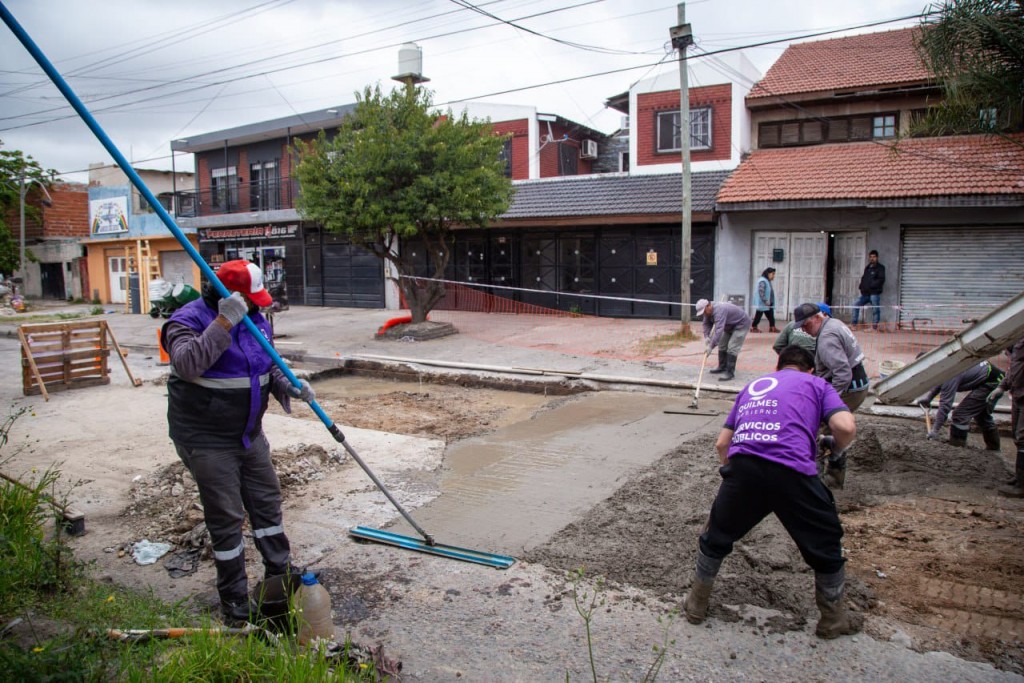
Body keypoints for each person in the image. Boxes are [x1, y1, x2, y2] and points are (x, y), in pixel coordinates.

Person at [161, 259, 316, 625]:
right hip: (207, 438)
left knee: (267, 504)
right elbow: (186, 364)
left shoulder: (257, 316)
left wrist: (288, 383)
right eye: (250, 300)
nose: (259, 306)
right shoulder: (186, 320)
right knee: (227, 519)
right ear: (227, 295)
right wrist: (224, 322)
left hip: (249, 435)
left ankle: (280, 575)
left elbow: (267, 362)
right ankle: (233, 598)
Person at [682, 345, 862, 639]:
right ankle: (832, 620)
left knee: (714, 537)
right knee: (826, 544)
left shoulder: (752, 387)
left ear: (778, 368)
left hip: (744, 469)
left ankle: (695, 605)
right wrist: (836, 451)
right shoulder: (817, 384)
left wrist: (736, 477)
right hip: (793, 472)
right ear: (811, 370)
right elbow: (845, 425)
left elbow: (722, 445)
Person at [793, 302, 870, 412]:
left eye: (805, 325)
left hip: (849, 390)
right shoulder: (834, 323)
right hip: (858, 384)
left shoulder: (827, 338)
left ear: (817, 318)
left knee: (823, 424)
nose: (804, 330)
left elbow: (843, 373)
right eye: (801, 327)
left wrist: (830, 398)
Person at [918, 359, 1004, 449]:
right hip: (992, 378)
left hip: (993, 384)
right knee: (982, 416)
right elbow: (941, 382)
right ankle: (994, 449)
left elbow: (945, 405)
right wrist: (929, 397)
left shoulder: (950, 374)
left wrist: (935, 430)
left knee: (961, 414)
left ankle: (957, 448)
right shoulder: (944, 365)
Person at [987, 338, 1024, 497]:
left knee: (1023, 438)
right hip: (1018, 394)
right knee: (1017, 435)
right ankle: (1019, 476)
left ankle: (1022, 486)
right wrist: (1002, 386)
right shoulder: (1018, 343)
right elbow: (1015, 367)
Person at [696, 298, 751, 382]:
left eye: (704, 311)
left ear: (708, 306)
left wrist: (710, 346)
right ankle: (722, 367)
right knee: (722, 345)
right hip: (730, 326)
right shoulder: (707, 313)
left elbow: (718, 331)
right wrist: (706, 336)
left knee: (732, 347)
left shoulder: (719, 310)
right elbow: (706, 324)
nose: (704, 314)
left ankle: (730, 373)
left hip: (741, 325)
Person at [851, 250, 885, 330]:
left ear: (877, 257)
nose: (872, 259)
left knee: (875, 310)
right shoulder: (868, 267)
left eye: (874, 257)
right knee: (855, 304)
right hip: (865, 294)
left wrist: (872, 285)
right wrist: (861, 286)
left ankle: (874, 327)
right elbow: (864, 278)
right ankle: (854, 325)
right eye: (870, 257)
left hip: (874, 293)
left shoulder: (880, 268)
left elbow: (881, 280)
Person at [751, 267, 778, 333]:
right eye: (773, 274)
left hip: (768, 302)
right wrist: (765, 301)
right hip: (763, 303)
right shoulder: (762, 281)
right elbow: (761, 292)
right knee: (758, 315)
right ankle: (754, 327)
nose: (774, 276)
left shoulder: (767, 280)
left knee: (771, 315)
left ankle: (772, 327)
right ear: (768, 274)